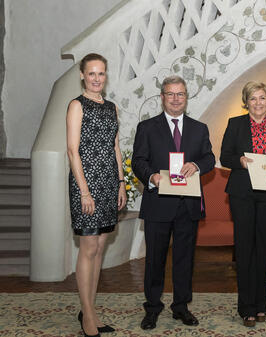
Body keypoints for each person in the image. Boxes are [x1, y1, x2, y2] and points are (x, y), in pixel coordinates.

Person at [132, 75, 215, 330]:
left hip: (187, 204)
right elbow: (138, 161)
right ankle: (153, 308)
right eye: (171, 94)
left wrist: (197, 165)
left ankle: (181, 307)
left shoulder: (199, 128)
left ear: (186, 97)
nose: (176, 99)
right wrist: (153, 176)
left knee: (184, 259)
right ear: (162, 97)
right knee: (154, 260)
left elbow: (210, 158)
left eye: (180, 94)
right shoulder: (147, 128)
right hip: (158, 202)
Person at [220, 81, 266, 327]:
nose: (258, 103)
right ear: (246, 102)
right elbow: (224, 156)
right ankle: (246, 307)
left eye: (262, 98)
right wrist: (240, 160)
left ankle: (261, 305)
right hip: (242, 193)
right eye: (253, 98)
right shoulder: (235, 124)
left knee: (263, 248)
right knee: (244, 249)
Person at [67, 53, 127, 337]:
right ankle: (88, 315)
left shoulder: (112, 108)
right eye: (91, 73)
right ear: (82, 75)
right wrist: (84, 191)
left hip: (108, 184)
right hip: (86, 184)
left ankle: (88, 308)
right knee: (88, 247)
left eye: (101, 73)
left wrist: (121, 182)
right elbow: (72, 151)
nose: (96, 78)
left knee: (101, 248)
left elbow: (116, 147)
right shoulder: (76, 106)